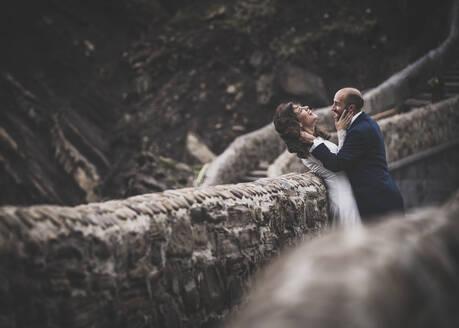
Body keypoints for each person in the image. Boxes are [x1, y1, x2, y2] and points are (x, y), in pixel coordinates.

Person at [303, 87, 404, 221]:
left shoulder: (359, 131)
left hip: (378, 202)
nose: (332, 108)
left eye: (337, 104)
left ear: (350, 108)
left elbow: (338, 163)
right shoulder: (365, 123)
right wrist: (319, 169)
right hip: (381, 196)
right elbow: (347, 158)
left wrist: (313, 142)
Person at [273, 101, 361, 228]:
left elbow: (339, 159)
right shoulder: (310, 146)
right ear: (297, 123)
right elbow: (337, 165)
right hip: (343, 199)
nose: (306, 107)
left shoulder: (316, 141)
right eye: (300, 110)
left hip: (349, 194)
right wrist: (341, 131)